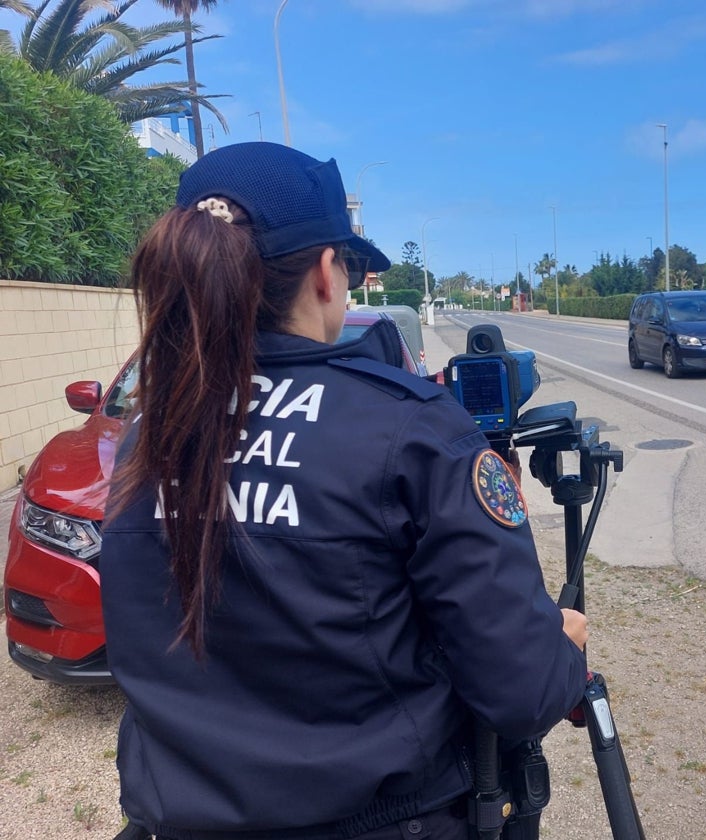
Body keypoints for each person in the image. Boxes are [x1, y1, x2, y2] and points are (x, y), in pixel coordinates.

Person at [101, 142, 588, 840]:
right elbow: (521, 689)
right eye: (351, 265)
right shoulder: (408, 427)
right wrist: (563, 649)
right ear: (328, 272)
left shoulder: (150, 432)